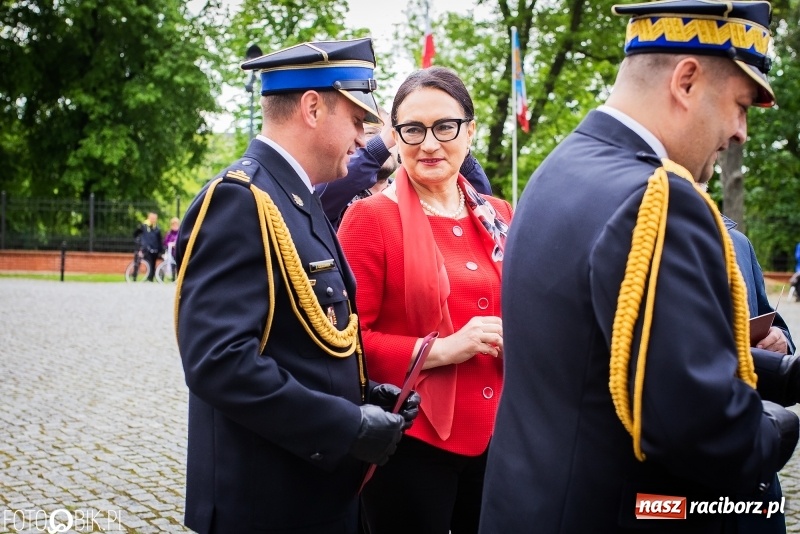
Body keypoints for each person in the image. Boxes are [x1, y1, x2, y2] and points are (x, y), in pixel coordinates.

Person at [480, 2, 799, 533]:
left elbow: (607, 348)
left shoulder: (563, 167)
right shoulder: (660, 200)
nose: (741, 131)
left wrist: (783, 374)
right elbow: (703, 432)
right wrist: (780, 427)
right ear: (688, 81)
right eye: (741, 104)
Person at [173, 38, 420, 534]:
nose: (363, 136)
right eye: (356, 119)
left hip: (309, 493)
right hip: (265, 502)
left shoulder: (296, 198)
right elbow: (219, 362)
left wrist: (363, 395)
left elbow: (297, 339)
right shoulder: (241, 200)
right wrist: (344, 425)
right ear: (312, 107)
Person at [338, 66, 512, 534]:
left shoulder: (499, 216)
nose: (429, 143)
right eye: (413, 129)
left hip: (500, 441)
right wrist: (443, 348)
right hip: (412, 443)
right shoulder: (370, 219)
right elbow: (350, 344)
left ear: (470, 131)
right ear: (394, 138)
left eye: (445, 126)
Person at [319, 108, 492, 230]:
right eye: (372, 134)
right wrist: (382, 142)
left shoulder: (413, 192)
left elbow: (481, 202)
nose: (387, 143)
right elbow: (324, 196)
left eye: (391, 137)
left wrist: (457, 146)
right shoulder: (338, 196)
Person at [132, 211, 162, 282]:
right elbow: (135, 234)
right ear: (148, 217)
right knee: (143, 262)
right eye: (152, 218)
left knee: (153, 263)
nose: (153, 219)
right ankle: (135, 277)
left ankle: (150, 278)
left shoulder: (157, 228)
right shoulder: (143, 226)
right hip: (145, 248)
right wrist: (139, 242)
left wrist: (160, 249)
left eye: (154, 218)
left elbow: (159, 239)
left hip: (154, 249)